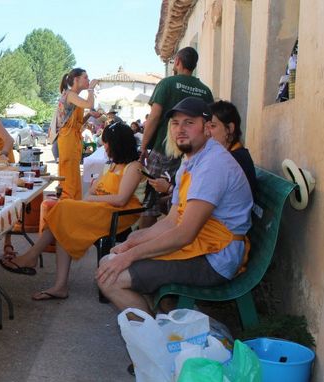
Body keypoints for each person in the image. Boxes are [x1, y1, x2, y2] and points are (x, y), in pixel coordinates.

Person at [96, 97, 253, 315]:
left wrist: (130, 256)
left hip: (215, 258)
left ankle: (154, 334)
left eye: (189, 123)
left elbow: (184, 234)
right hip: (201, 247)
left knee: (110, 278)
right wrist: (133, 243)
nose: (180, 129)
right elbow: (171, 221)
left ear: (207, 128)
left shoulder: (213, 165)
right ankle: (160, 321)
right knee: (120, 250)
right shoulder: (191, 161)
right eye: (175, 123)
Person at [0, 122, 143, 301]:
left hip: (119, 216)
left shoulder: (134, 167)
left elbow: (121, 199)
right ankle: (57, 284)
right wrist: (92, 199)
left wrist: (92, 200)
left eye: (107, 143)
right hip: (102, 210)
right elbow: (91, 192)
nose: (105, 147)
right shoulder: (112, 166)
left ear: (118, 144)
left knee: (64, 209)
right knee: (64, 217)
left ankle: (33, 257)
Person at [139, 47, 214, 228]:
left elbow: (154, 117)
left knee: (150, 204)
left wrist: (143, 146)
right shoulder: (205, 91)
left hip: (164, 150)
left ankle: (147, 237)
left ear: (178, 61)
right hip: (193, 154)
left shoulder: (167, 84)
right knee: (181, 198)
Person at [55, 68, 104, 199]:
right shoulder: (70, 95)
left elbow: (79, 122)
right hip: (68, 139)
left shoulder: (74, 96)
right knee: (69, 175)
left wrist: (89, 115)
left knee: (73, 173)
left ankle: (73, 202)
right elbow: (89, 104)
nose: (88, 80)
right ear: (76, 80)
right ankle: (68, 203)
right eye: (85, 77)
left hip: (73, 138)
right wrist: (91, 89)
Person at [208, 100, 256, 194]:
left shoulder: (233, 160)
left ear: (230, 128)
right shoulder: (233, 154)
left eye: (212, 126)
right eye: (206, 127)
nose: (207, 132)